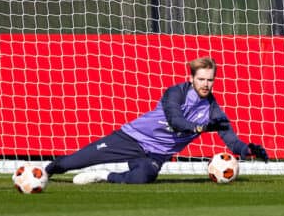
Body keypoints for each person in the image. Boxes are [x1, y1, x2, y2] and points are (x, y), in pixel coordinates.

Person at [45, 57, 268, 184]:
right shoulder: (175, 93)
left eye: (210, 80)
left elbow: (230, 138)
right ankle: (43, 173)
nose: (206, 84)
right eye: (201, 79)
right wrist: (200, 127)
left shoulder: (213, 110)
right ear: (191, 78)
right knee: (70, 163)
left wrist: (247, 150)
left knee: (144, 177)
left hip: (156, 154)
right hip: (131, 138)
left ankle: (103, 176)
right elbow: (175, 121)